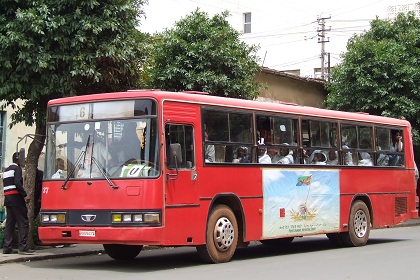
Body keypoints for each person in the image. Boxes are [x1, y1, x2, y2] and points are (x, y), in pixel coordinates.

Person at [2, 152, 35, 255]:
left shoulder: (6, 170)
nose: (23, 161)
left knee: (10, 224)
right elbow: (17, 183)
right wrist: (25, 195)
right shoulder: (17, 169)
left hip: (8, 199)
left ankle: (7, 247)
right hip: (17, 199)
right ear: (18, 160)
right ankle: (23, 247)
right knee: (23, 222)